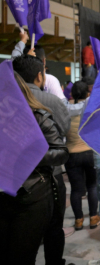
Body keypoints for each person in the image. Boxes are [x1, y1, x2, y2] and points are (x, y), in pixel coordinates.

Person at [0, 72, 69, 265]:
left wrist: (28, 155)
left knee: (21, 257)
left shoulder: (37, 116)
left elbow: (61, 152)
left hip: (31, 196)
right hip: (3, 196)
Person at [64, 81, 100, 230]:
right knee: (92, 186)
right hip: (89, 152)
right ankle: (93, 217)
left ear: (72, 93)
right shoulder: (89, 107)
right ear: (87, 93)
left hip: (71, 154)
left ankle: (78, 220)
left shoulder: (64, 108)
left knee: (76, 190)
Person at [12, 32, 66, 102]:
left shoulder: (15, 76)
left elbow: (14, 60)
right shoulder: (51, 80)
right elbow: (64, 108)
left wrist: (22, 41)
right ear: (39, 76)